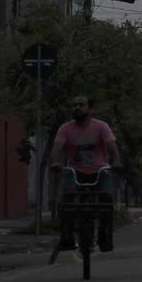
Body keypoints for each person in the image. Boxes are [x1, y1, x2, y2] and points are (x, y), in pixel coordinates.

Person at [50, 95, 121, 252]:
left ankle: (105, 237)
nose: (77, 108)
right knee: (67, 201)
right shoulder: (65, 129)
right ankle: (67, 238)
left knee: (107, 201)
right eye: (74, 105)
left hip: (99, 171)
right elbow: (56, 148)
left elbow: (112, 147)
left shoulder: (101, 127)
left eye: (81, 105)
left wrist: (116, 161)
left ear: (90, 109)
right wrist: (55, 162)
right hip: (75, 171)